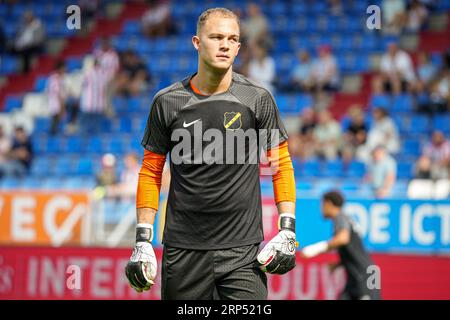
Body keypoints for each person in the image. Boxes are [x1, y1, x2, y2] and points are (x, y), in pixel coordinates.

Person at [125, 8, 297, 300]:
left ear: (239, 46)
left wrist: (288, 229)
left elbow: (279, 165)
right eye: (216, 37)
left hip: (243, 253)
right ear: (196, 42)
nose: (225, 44)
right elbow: (151, 171)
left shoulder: (258, 99)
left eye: (232, 39)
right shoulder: (167, 102)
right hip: (183, 251)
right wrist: (143, 238)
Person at [301, 191, 381, 300]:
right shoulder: (345, 219)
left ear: (328, 203)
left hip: (365, 277)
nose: (321, 208)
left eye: (322, 204)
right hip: (357, 277)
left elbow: (343, 238)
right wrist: (339, 264)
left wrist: (316, 248)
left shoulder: (340, 217)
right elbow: (354, 251)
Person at [46, 61, 67, 135]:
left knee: (55, 125)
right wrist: (62, 108)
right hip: (56, 105)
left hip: (53, 104)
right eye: (64, 69)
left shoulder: (52, 78)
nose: (65, 70)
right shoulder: (56, 79)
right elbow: (59, 95)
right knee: (55, 127)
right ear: (60, 69)